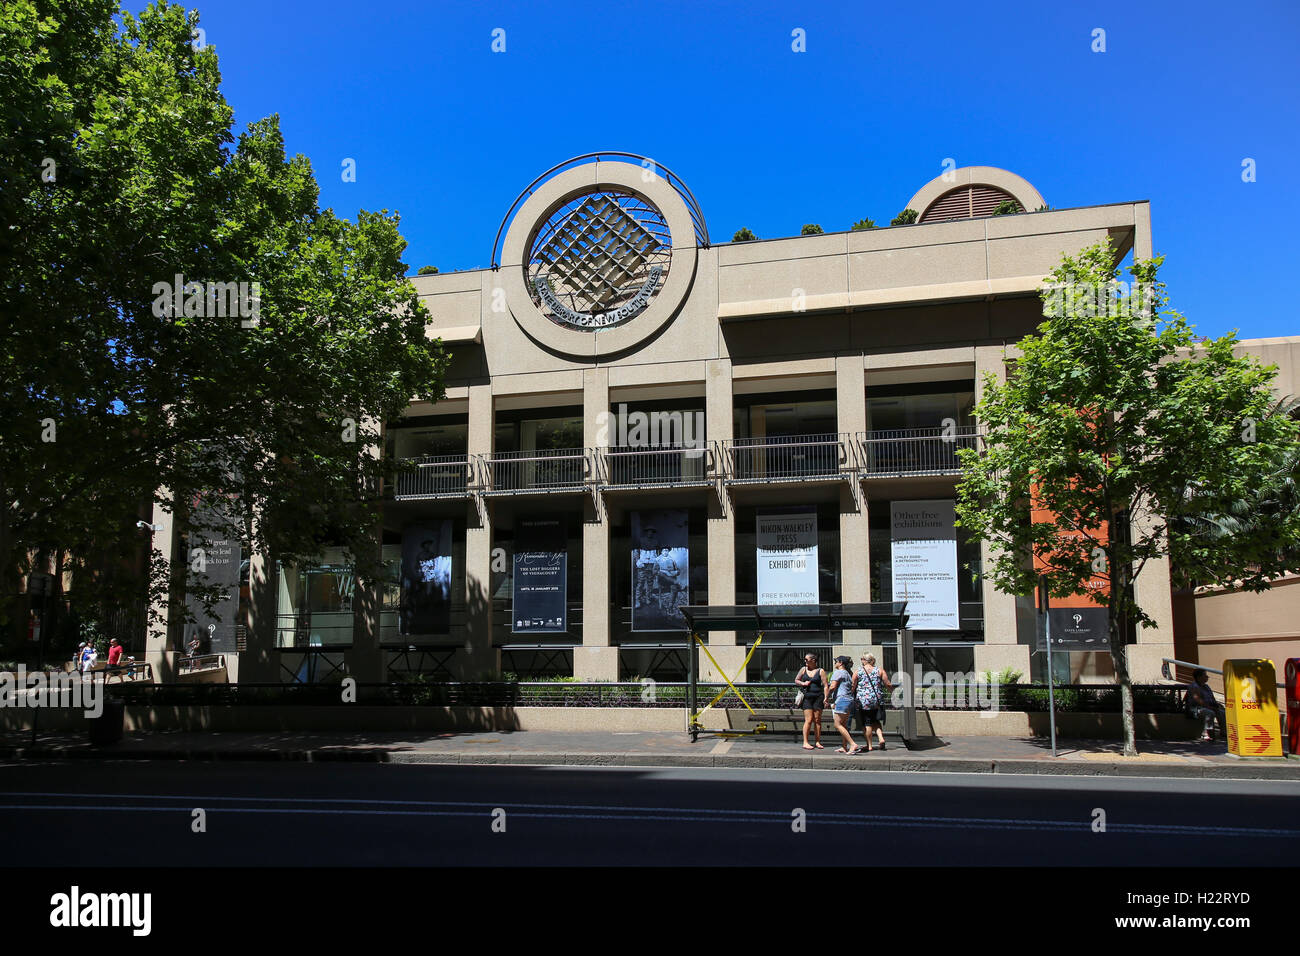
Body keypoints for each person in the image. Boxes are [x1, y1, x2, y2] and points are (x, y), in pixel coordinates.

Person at [856, 653, 894, 751]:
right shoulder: (879, 670)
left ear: (865, 660)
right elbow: (888, 684)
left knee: (867, 722)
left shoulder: (858, 671)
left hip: (863, 701)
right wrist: (893, 693)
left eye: (862, 659)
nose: (861, 661)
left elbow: (852, 685)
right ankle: (881, 738)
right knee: (875, 720)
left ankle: (869, 745)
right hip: (876, 700)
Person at [828, 656, 863, 754]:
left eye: (836, 661)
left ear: (840, 663)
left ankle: (852, 744)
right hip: (849, 700)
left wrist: (826, 697)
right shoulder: (847, 673)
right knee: (843, 725)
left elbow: (832, 687)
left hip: (842, 700)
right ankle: (844, 746)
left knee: (837, 724)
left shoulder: (838, 672)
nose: (835, 663)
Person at [794, 653, 826, 750]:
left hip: (818, 697)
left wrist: (826, 698)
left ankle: (817, 741)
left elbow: (825, 685)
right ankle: (805, 742)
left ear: (813, 660)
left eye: (806, 659)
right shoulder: (803, 669)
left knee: (817, 720)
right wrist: (803, 683)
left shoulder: (820, 671)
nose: (805, 661)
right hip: (807, 697)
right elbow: (796, 680)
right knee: (808, 720)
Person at [1186, 668, 1225, 741]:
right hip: (1196, 708)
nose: (1207, 677)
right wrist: (1210, 707)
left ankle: (1223, 732)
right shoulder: (1194, 687)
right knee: (1210, 713)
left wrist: (1216, 705)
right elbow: (1198, 700)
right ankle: (1208, 733)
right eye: (1205, 675)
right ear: (1198, 677)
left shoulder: (1206, 686)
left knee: (1222, 711)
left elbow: (1212, 698)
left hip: (1208, 706)